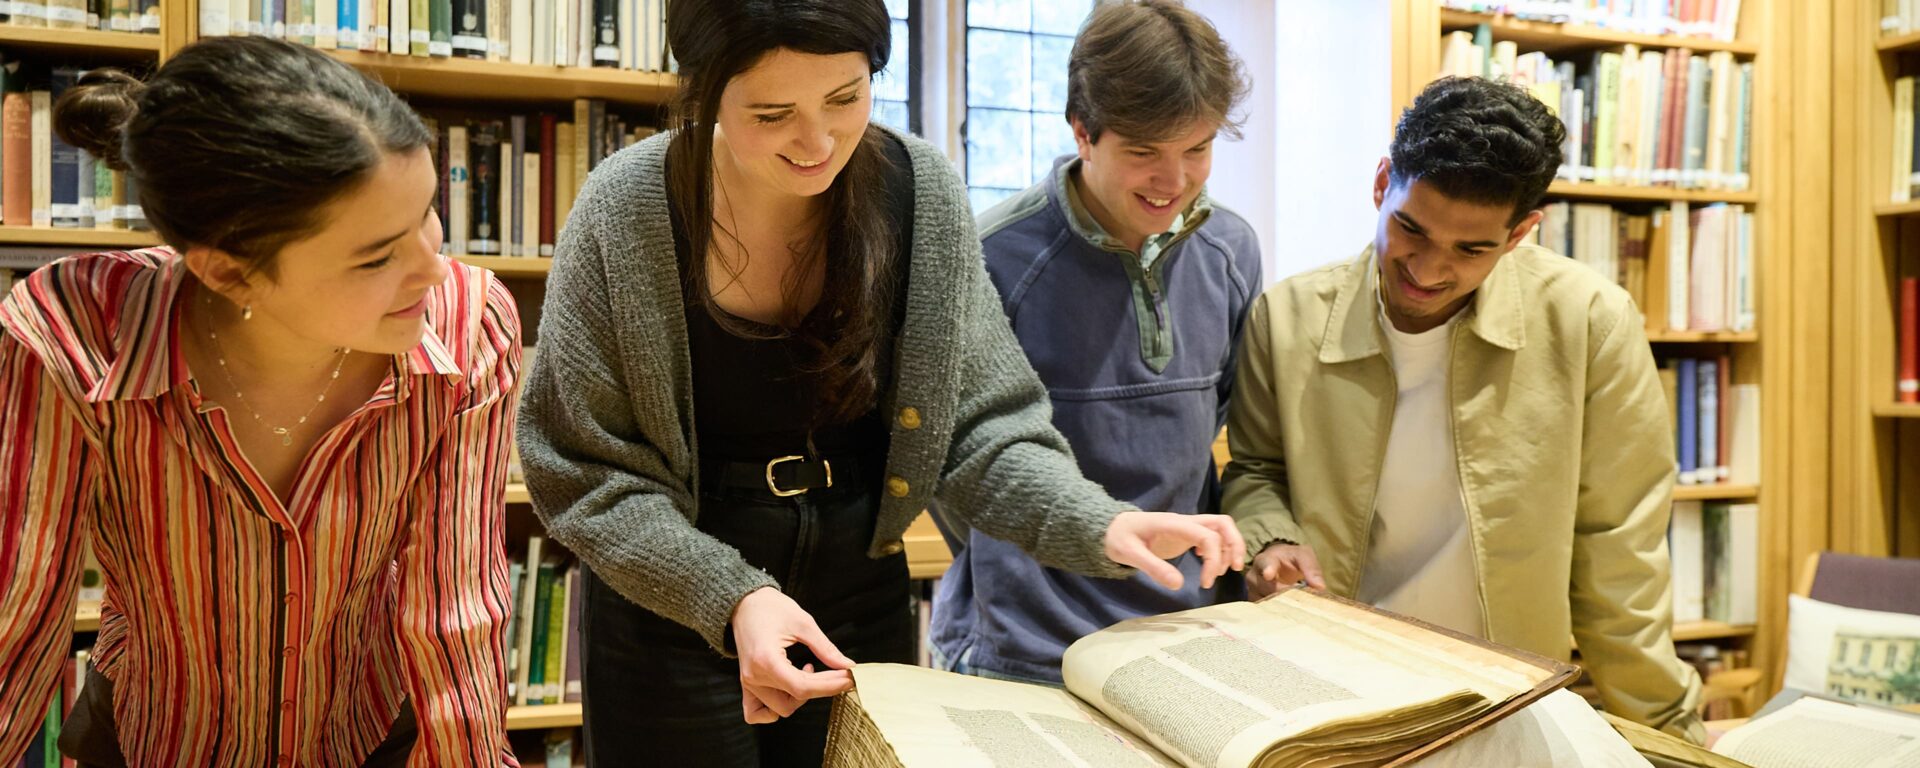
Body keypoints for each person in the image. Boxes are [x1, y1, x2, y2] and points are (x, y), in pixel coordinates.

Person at [513, 0, 1247, 764]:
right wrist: (733, 596)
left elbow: (979, 426)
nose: (818, 141)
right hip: (668, 592)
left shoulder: (917, 193)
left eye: (845, 98)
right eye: (772, 114)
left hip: (857, 581)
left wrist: (1098, 522)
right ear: (704, 93)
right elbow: (584, 467)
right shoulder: (628, 207)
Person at [0, 36, 522, 767]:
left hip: (367, 735)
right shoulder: (67, 333)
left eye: (428, 215)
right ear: (229, 273)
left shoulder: (470, 325)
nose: (434, 270)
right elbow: (18, 618)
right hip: (155, 740)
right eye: (377, 256)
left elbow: (457, 606)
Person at [1223, 76, 1706, 742]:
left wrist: (1666, 733)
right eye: (1410, 229)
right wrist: (1270, 537)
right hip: (1334, 685)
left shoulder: (1588, 321)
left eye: (1470, 249)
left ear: (1520, 233)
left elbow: (1619, 548)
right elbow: (1253, 469)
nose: (1427, 268)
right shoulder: (1287, 318)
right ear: (1382, 182)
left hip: (1504, 693)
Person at [930, 0, 1262, 685]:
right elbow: (955, 460)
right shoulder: (991, 257)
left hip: (1183, 632)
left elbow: (1223, 422)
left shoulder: (1231, 249)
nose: (1174, 182)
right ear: (1083, 132)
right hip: (1027, 647)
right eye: (1144, 153)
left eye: (1196, 149)